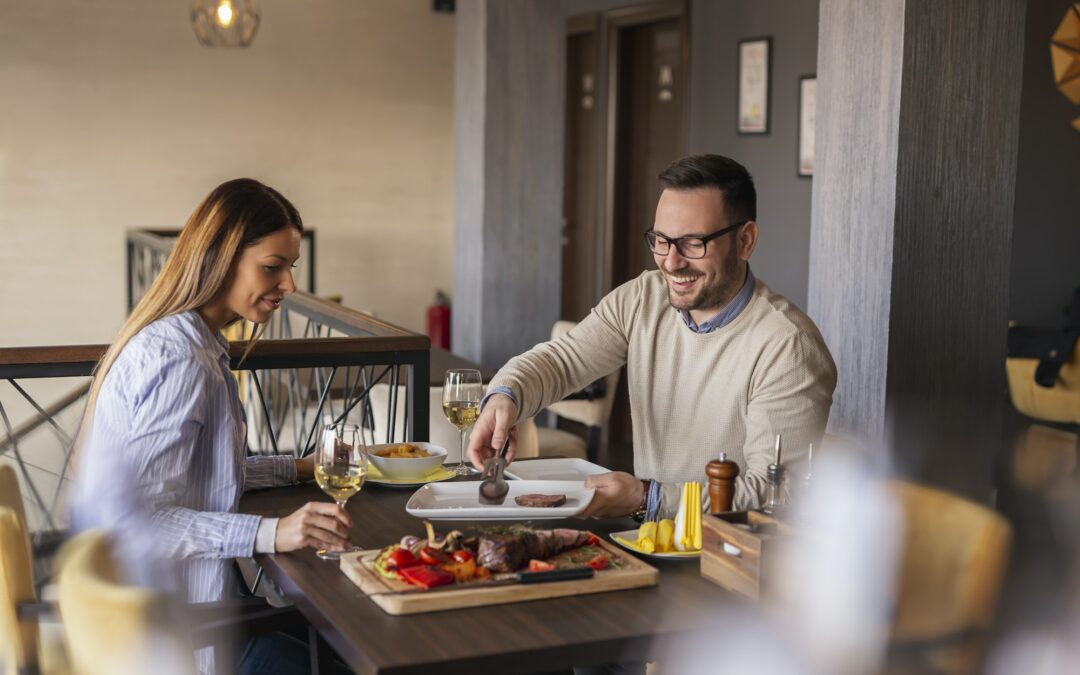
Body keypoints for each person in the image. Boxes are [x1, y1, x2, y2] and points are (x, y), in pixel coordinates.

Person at [70, 178, 352, 674]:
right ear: (221, 257)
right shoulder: (180, 359)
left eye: (290, 267)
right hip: (185, 637)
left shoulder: (188, 340)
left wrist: (298, 468)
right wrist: (274, 532)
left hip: (195, 612)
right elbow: (138, 522)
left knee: (337, 636)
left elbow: (205, 474)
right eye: (273, 267)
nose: (289, 286)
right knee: (356, 649)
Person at [468, 154, 837, 519]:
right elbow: (561, 361)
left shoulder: (789, 346)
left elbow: (773, 496)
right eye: (661, 240)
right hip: (645, 540)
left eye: (693, 243)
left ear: (745, 241)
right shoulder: (644, 297)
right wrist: (505, 396)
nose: (671, 262)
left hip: (725, 563)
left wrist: (649, 499)